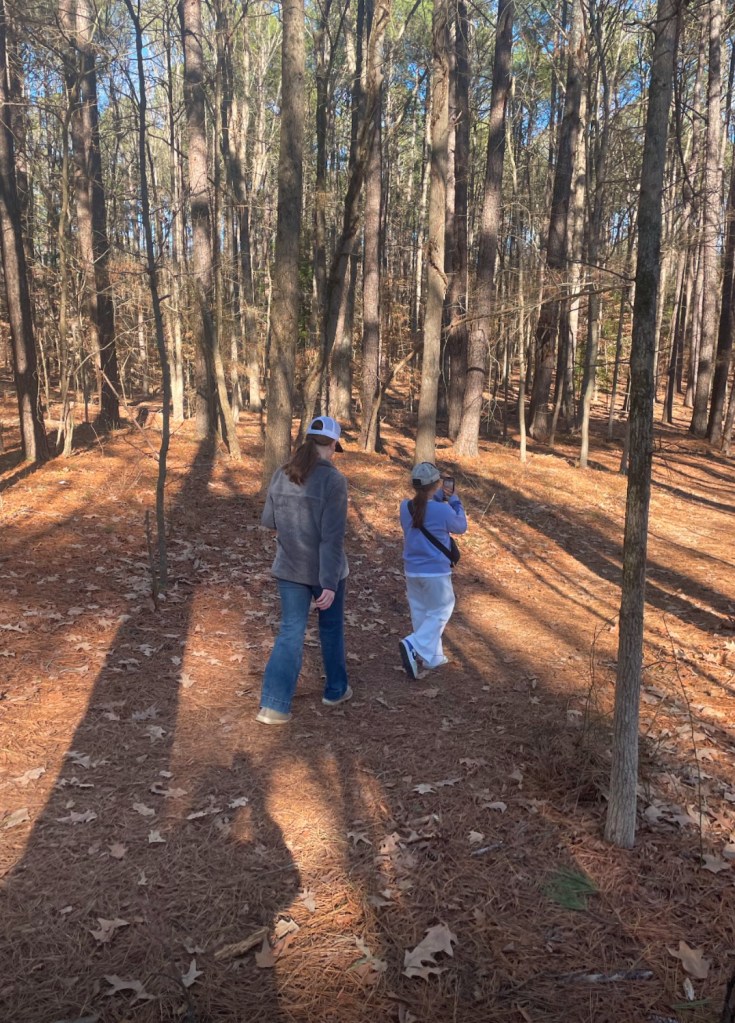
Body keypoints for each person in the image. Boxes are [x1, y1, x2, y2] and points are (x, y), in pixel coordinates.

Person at [257, 416, 352, 724]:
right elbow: (332, 538)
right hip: (325, 571)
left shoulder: (282, 473)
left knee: (290, 631)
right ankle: (335, 690)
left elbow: (269, 520)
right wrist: (329, 583)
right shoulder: (334, 481)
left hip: (290, 568)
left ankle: (273, 706)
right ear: (333, 445)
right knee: (331, 629)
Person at [398, 462, 467, 679]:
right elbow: (461, 526)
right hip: (435, 571)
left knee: (421, 612)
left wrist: (438, 498)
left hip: (412, 570)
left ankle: (432, 657)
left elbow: (424, 509)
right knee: (442, 609)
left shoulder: (405, 507)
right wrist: (455, 501)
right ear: (437, 484)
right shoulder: (443, 510)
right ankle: (414, 643)